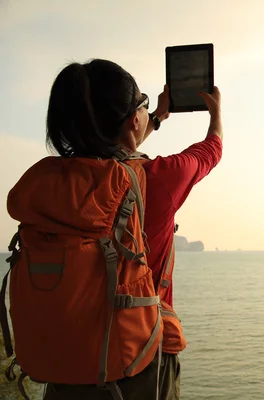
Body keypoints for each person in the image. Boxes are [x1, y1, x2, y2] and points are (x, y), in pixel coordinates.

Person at [7, 59, 223, 399]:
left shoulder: (51, 186)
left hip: (68, 362)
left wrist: (154, 119)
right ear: (133, 119)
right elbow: (210, 151)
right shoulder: (157, 180)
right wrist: (216, 115)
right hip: (138, 362)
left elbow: (109, 149)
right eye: (142, 102)